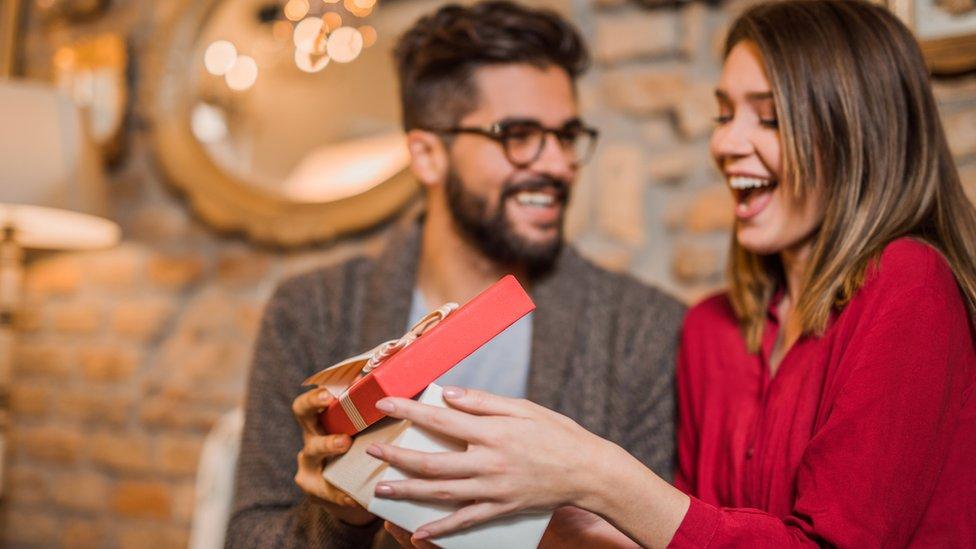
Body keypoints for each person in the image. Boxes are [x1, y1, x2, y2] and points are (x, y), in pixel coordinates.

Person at [368, 1, 976, 547]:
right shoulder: (712, 331)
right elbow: (694, 532)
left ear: (858, 136)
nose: (727, 143)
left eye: (769, 118)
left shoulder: (908, 284)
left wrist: (597, 473)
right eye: (724, 114)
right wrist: (558, 522)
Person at [224, 2, 686, 547]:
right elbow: (250, 535)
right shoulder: (312, 310)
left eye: (567, 136)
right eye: (518, 135)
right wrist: (341, 518)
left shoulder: (643, 328)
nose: (559, 164)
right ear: (427, 155)